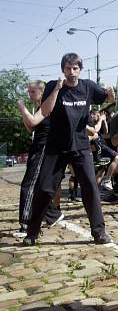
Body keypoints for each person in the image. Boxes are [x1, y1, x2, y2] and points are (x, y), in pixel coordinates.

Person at [23, 53, 115, 245]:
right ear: (62, 69)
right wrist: (57, 89)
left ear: (80, 69)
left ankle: (99, 232)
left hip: (80, 146)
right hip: (56, 146)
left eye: (75, 68)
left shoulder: (88, 86)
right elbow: (46, 110)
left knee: (90, 187)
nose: (71, 72)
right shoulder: (51, 86)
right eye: (67, 68)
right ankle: (32, 232)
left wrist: (111, 92)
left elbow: (106, 99)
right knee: (45, 189)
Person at [14, 81, 64, 238]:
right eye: (28, 91)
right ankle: (52, 214)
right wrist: (24, 111)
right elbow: (30, 127)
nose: (29, 94)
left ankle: (27, 224)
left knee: (28, 186)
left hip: (43, 148)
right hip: (37, 147)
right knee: (36, 187)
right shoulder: (38, 107)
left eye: (32, 91)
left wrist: (22, 107)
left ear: (42, 92)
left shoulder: (46, 105)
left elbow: (32, 122)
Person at [88, 108, 118, 192]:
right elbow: (95, 130)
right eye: (97, 115)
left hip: (102, 146)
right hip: (96, 149)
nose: (99, 117)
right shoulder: (89, 122)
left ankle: (96, 190)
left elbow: (106, 132)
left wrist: (104, 121)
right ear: (92, 115)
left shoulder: (99, 122)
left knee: (101, 171)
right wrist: (101, 119)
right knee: (116, 159)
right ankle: (105, 182)